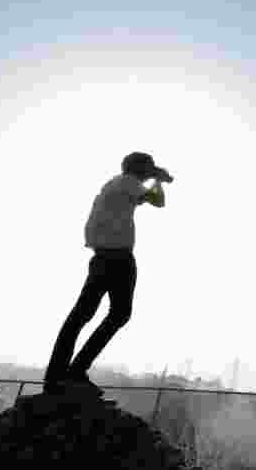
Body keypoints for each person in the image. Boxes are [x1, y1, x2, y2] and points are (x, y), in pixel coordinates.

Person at [42, 152, 172, 396]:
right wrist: (159, 180)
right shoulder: (128, 182)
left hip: (103, 257)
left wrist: (156, 179)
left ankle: (59, 375)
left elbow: (150, 200)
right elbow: (158, 201)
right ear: (140, 169)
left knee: (83, 315)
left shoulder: (116, 185)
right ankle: (74, 371)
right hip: (117, 258)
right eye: (149, 168)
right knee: (114, 314)